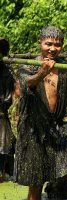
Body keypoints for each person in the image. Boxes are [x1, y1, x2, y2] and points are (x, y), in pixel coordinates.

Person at [14, 26, 67, 200]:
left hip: (57, 128)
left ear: (62, 46)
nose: (52, 48)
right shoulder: (28, 66)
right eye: (48, 44)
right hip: (33, 130)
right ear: (40, 43)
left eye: (57, 45)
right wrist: (42, 73)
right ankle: (47, 186)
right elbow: (26, 87)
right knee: (35, 189)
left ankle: (56, 184)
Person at [0, 38, 16, 183]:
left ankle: (3, 174)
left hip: (1, 117)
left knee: (4, 148)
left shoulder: (7, 73)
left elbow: (10, 97)